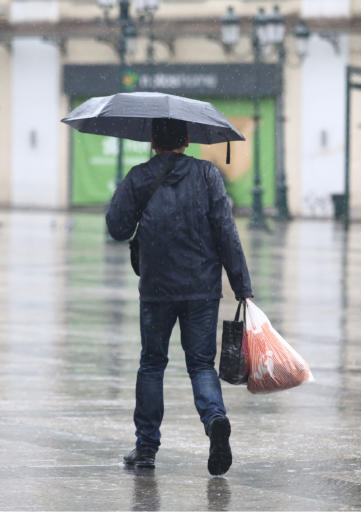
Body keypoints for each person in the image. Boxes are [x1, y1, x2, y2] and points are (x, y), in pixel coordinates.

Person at [106, 118, 253, 476]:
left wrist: (136, 204)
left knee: (152, 364)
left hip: (156, 288)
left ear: (154, 141)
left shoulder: (140, 176)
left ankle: (146, 449)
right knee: (201, 364)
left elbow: (117, 226)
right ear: (187, 140)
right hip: (202, 287)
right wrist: (242, 286)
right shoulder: (207, 175)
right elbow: (225, 231)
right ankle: (215, 419)